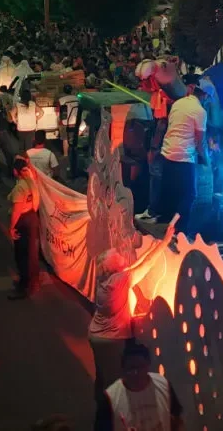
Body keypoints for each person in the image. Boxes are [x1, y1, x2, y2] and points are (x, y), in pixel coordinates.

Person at [88, 220, 176, 403]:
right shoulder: (118, 282)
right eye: (116, 255)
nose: (119, 254)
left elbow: (136, 265)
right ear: (114, 267)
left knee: (102, 376)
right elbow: (146, 266)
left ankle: (100, 406)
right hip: (110, 340)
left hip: (97, 335)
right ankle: (110, 414)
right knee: (114, 382)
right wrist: (166, 240)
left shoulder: (109, 279)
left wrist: (154, 246)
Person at [155, 76, 207, 232]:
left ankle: (165, 225)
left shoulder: (177, 104)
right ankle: (179, 229)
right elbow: (200, 142)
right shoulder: (200, 111)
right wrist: (206, 159)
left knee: (172, 193)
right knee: (190, 195)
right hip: (184, 157)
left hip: (167, 152)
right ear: (204, 95)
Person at [95, 341, 183, 431]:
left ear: (148, 365)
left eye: (140, 367)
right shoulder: (110, 398)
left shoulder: (164, 385)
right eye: (131, 368)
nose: (136, 373)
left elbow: (177, 419)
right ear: (123, 369)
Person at [7, 156, 40, 300]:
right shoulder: (31, 182)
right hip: (32, 217)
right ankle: (31, 282)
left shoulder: (20, 187)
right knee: (31, 253)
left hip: (23, 220)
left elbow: (16, 210)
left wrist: (11, 227)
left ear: (15, 171)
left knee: (21, 254)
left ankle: (24, 286)